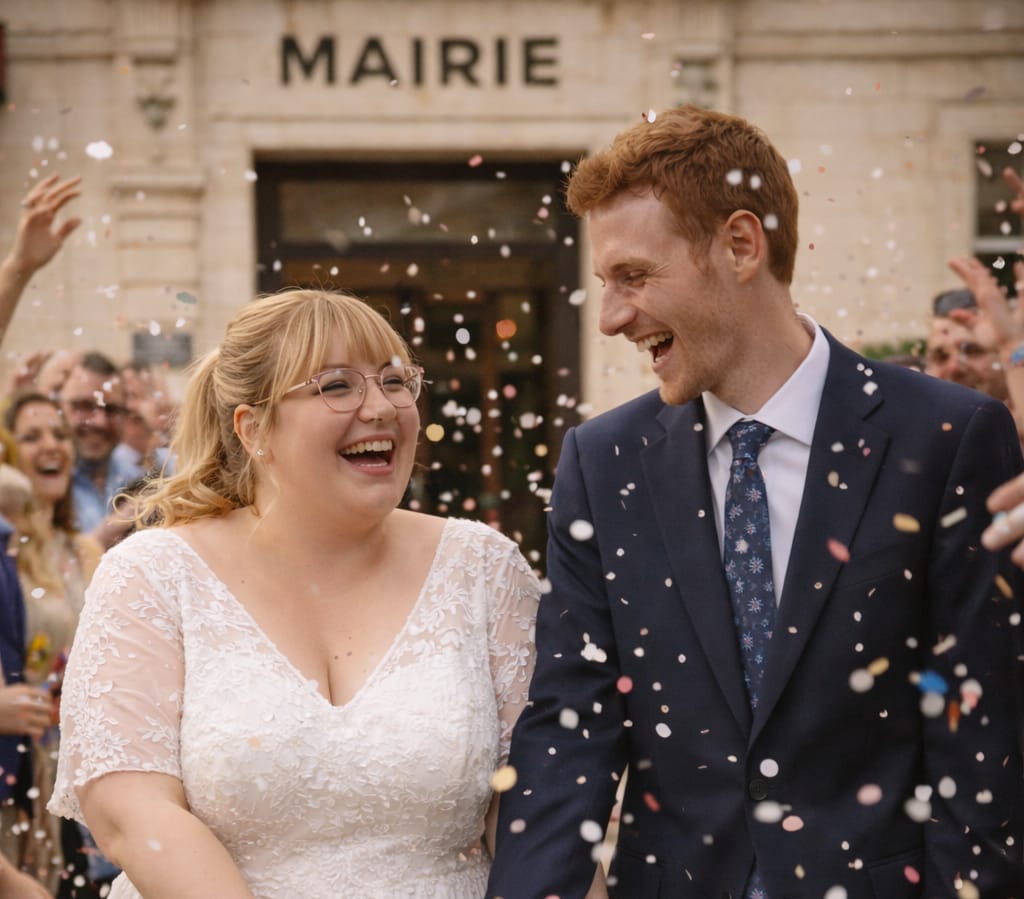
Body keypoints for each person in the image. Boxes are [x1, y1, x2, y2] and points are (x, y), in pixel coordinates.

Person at [486, 106, 1024, 899]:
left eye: (633, 276)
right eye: (606, 284)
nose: (611, 317)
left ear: (741, 245)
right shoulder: (602, 464)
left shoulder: (946, 437)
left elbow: (980, 736)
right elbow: (571, 731)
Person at [47, 288, 540, 898]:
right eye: (337, 386)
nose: (381, 407)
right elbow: (133, 810)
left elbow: (533, 806)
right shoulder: (152, 575)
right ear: (254, 428)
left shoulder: (483, 568)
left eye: (394, 381)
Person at [5, 392, 105, 893]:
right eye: (31, 436)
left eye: (60, 434)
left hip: (73, 764)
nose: (52, 445)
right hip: (16, 763)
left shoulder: (83, 552)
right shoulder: (5, 554)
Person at [59, 351, 145, 549]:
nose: (99, 422)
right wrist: (102, 538)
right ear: (59, 406)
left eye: (111, 409)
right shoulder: (42, 484)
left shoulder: (140, 481)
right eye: (85, 406)